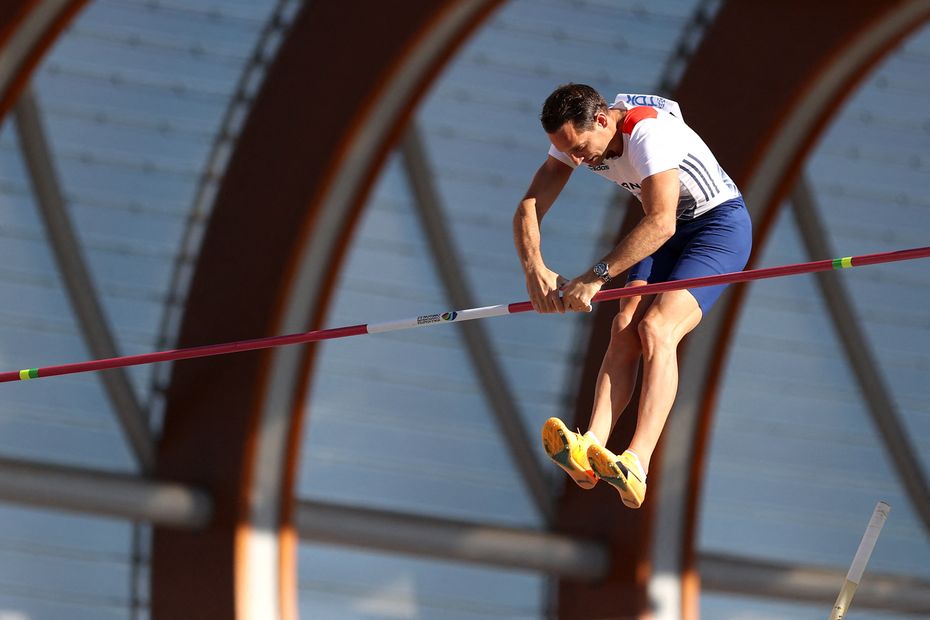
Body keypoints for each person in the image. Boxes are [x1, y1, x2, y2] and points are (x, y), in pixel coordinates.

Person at [512, 84, 752, 508]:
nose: (579, 161)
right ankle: (589, 448)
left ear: (602, 120)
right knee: (623, 327)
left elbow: (661, 222)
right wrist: (535, 269)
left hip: (716, 229)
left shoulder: (647, 136)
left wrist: (596, 276)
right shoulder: (580, 138)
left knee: (657, 329)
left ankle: (637, 464)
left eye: (582, 149)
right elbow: (529, 205)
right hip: (665, 228)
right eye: (569, 152)